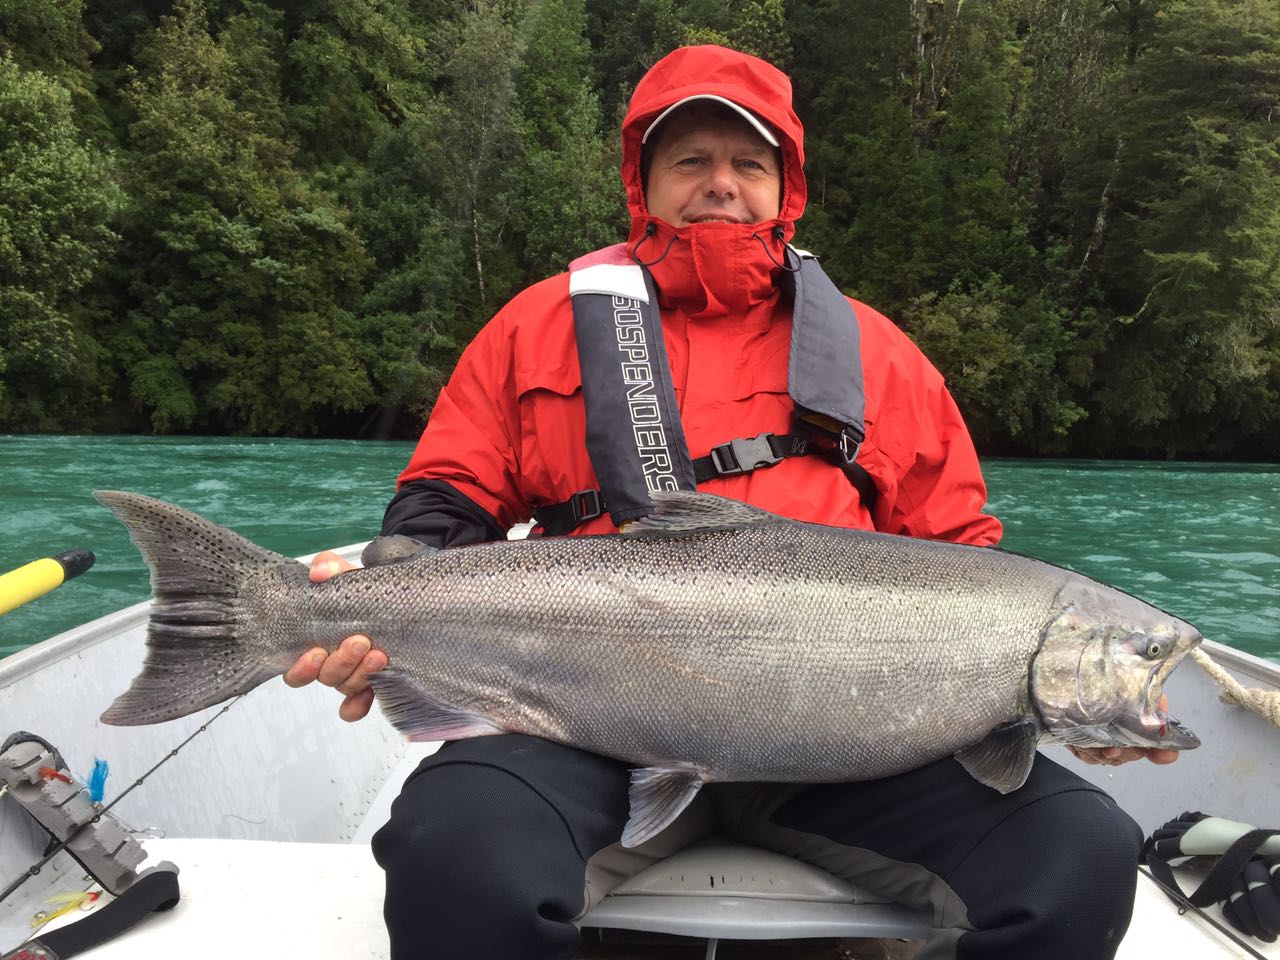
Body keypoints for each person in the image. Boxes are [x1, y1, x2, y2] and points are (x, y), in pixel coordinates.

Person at [285, 45, 1176, 960]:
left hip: (855, 752)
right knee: (455, 850)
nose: (721, 183)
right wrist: (378, 606)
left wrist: (1069, 707)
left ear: (784, 187)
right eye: (691, 160)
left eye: (748, 162)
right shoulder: (533, 324)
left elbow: (967, 561)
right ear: (645, 181)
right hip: (584, 725)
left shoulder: (881, 352)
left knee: (1082, 857)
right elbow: (445, 500)